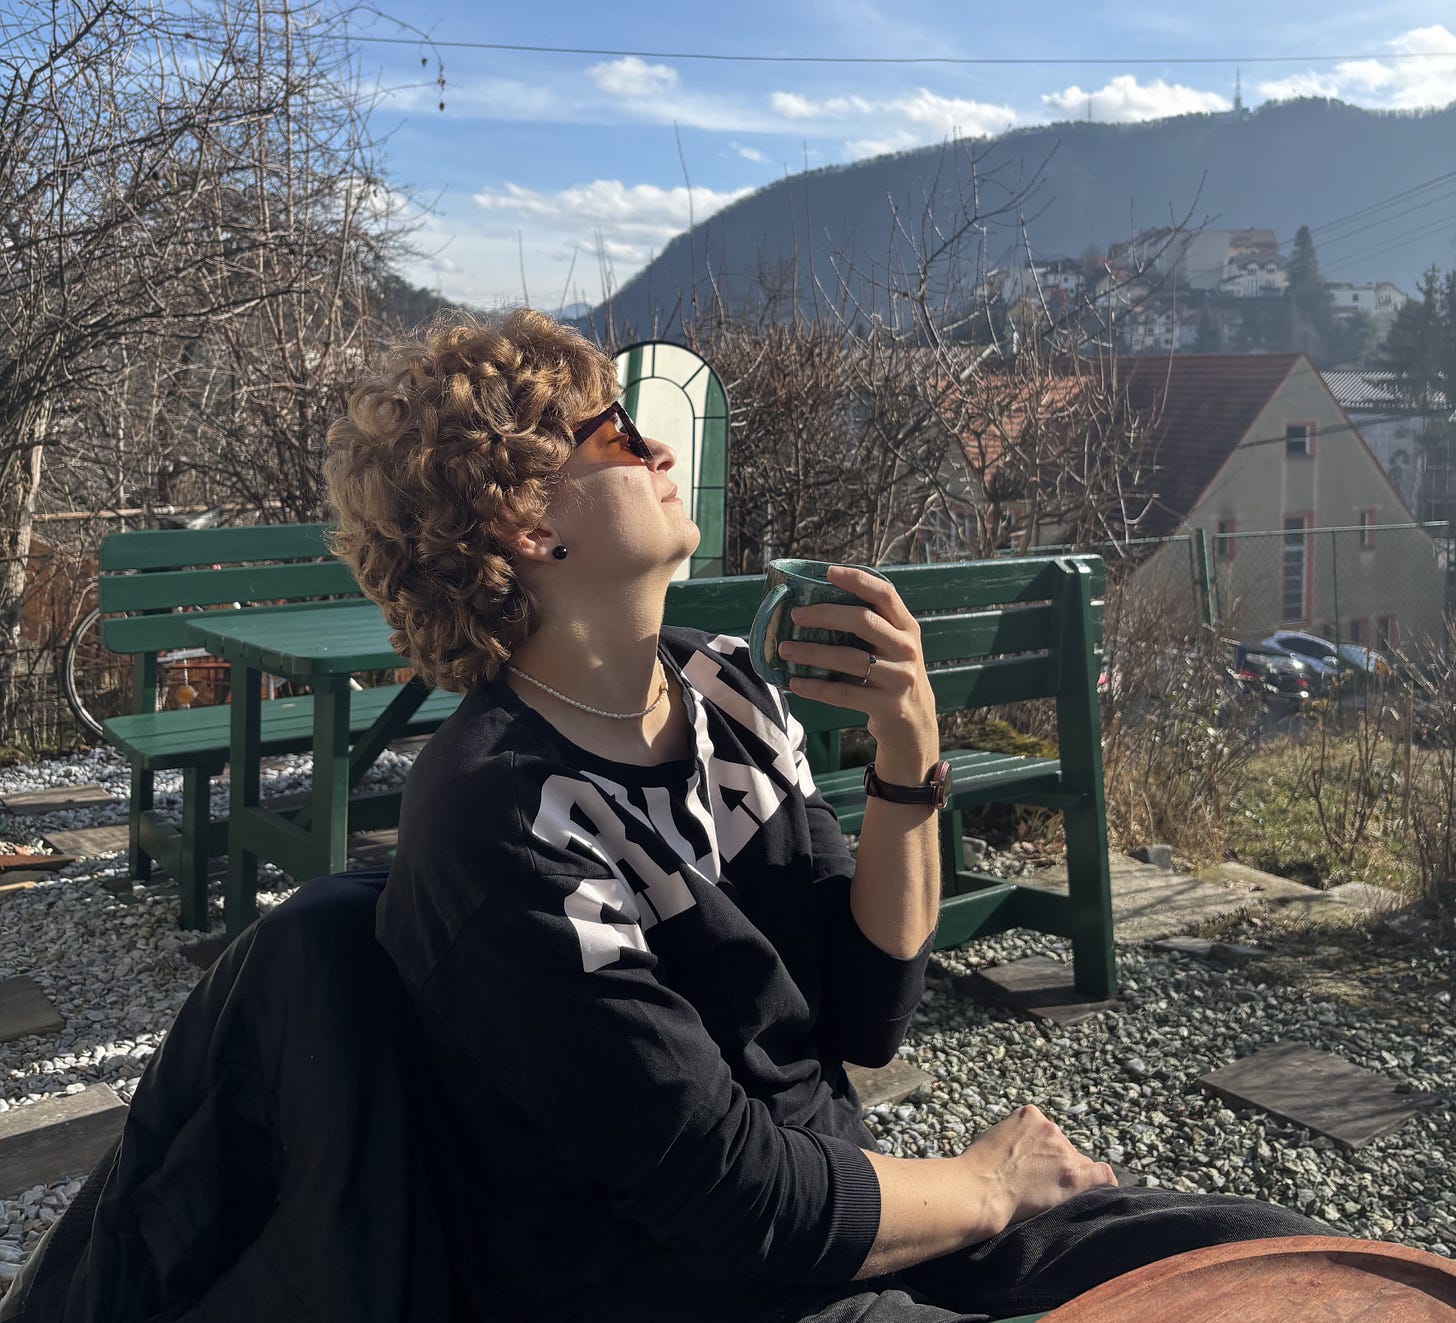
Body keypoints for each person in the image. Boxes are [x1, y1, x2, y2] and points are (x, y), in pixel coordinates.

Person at [322, 309, 1322, 1322]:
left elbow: (865, 1013)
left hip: (847, 1217)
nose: (660, 446)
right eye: (614, 433)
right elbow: (734, 1199)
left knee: (1278, 1262)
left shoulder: (726, 688)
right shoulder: (504, 820)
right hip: (690, 1288)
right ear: (525, 522)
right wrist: (989, 1184)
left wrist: (909, 746)